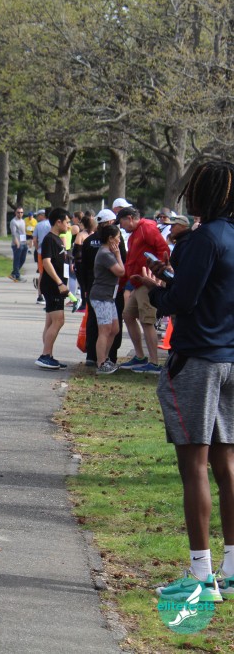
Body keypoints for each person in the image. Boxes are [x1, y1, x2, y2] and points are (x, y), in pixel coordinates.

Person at [133, 160, 234, 603]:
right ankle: (231, 570)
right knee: (227, 466)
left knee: (194, 466)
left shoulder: (203, 238)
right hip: (231, 358)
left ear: (202, 194)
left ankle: (200, 577)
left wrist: (154, 287)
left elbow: (182, 300)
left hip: (197, 360)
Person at [117, 207, 170, 373]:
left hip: (146, 283)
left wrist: (158, 275)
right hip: (137, 283)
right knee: (128, 315)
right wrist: (122, 283)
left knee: (147, 321)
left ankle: (154, 363)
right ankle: (140, 357)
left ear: (130, 218)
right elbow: (131, 261)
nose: (121, 226)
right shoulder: (135, 233)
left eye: (121, 222)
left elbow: (163, 250)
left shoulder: (146, 228)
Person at [34, 208, 72, 370]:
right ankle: (44, 355)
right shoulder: (49, 239)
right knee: (59, 320)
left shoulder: (58, 239)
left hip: (57, 286)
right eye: (67, 222)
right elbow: (46, 262)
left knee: (50, 322)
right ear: (58, 222)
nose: (69, 226)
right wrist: (59, 283)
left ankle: (48, 355)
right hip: (52, 286)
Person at [89, 223, 125, 374]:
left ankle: (106, 358)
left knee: (114, 329)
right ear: (110, 239)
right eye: (118, 238)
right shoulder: (105, 254)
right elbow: (121, 272)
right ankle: (101, 363)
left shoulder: (107, 253)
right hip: (101, 296)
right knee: (104, 330)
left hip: (109, 296)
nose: (119, 241)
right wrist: (118, 255)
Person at [32, 209, 50, 303]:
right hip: (51, 252)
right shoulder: (53, 225)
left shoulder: (39, 225)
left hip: (41, 251)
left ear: (44, 215)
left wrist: (37, 248)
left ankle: (40, 295)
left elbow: (34, 240)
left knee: (41, 274)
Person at [8, 206, 28, 282]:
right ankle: (17, 276)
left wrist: (25, 241)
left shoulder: (23, 221)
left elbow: (23, 232)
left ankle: (14, 274)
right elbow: (13, 233)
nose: (20, 214)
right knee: (17, 260)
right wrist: (16, 242)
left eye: (21, 212)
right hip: (17, 244)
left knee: (22, 259)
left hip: (23, 243)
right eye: (18, 212)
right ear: (15, 213)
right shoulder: (13, 222)